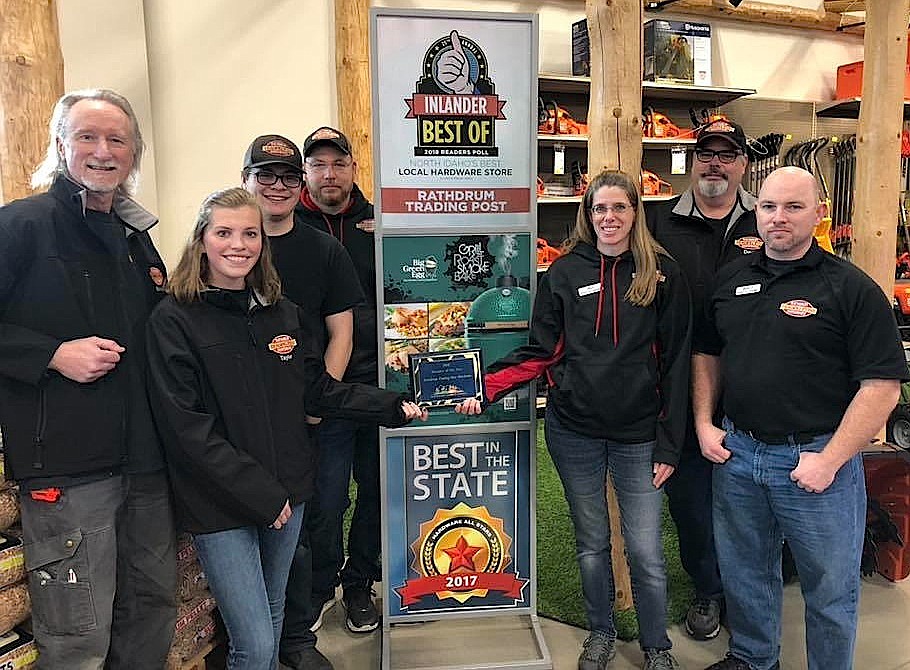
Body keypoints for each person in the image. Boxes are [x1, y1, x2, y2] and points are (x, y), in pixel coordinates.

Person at [145, 187, 426, 670]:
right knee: (252, 644)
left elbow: (315, 390)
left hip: (287, 493)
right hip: (223, 503)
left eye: (249, 233)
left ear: (262, 243)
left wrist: (393, 404)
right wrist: (262, 495)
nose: (239, 244)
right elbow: (187, 430)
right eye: (224, 232)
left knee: (272, 622)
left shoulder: (281, 311)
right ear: (201, 240)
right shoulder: (175, 319)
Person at [460, 170, 691, 670]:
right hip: (575, 432)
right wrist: (483, 388)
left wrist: (670, 443)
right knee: (591, 544)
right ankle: (602, 632)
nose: (609, 218)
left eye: (619, 208)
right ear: (588, 214)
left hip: (639, 439)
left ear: (636, 213)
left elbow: (677, 365)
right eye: (599, 209)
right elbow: (542, 351)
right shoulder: (564, 272)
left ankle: (657, 647)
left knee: (646, 551)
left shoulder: (662, 275)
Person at [693, 167, 906, 670]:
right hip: (738, 457)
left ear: (819, 213)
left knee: (830, 588)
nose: (778, 218)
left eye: (792, 207)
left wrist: (830, 461)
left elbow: (883, 388)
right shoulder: (733, 279)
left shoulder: (850, 289)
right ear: (756, 213)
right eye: (768, 207)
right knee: (745, 573)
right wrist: (704, 422)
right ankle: (752, 657)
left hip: (814, 462)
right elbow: (707, 353)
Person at [0, 89, 176, 669]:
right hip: (68, 470)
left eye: (116, 139)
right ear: (60, 145)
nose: (102, 151)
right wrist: (51, 354)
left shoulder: (136, 238)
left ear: (133, 155)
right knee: (78, 632)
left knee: (150, 607)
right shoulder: (19, 226)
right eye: (87, 137)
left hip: (146, 463)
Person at [240, 133, 363, 670]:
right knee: (253, 524)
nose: (278, 187)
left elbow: (342, 330)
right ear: (245, 180)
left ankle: (296, 632)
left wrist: (323, 399)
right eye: (266, 176)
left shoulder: (323, 248)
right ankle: (258, 636)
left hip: (311, 415)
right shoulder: (229, 241)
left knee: (312, 519)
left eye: (288, 177)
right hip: (242, 419)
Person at [645, 118, 759, 640]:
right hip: (678, 384)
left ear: (743, 163)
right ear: (694, 161)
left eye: (726, 154)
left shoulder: (768, 221)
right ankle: (709, 590)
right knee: (691, 499)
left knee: (751, 501)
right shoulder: (658, 221)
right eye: (706, 153)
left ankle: (748, 591)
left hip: (754, 384)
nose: (715, 163)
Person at [289, 126, 382, 635]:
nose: (329, 174)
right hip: (320, 385)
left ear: (352, 168)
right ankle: (322, 582)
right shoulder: (285, 227)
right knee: (326, 496)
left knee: (376, 489)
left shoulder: (378, 220)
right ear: (307, 172)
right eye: (318, 165)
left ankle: (358, 582)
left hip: (374, 380)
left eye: (338, 164)